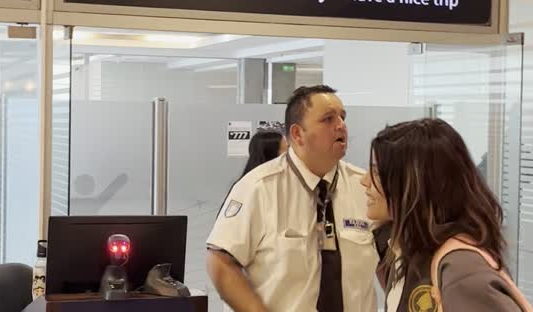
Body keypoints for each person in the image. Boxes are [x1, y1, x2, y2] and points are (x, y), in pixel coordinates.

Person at [206, 85, 379, 312]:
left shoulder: (364, 187)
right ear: (298, 134)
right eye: (328, 119)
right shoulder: (258, 188)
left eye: (342, 117)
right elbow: (220, 262)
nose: (341, 126)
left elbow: (388, 263)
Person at [360, 118, 530, 312]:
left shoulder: (462, 270)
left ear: (413, 185)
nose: (365, 181)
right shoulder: (410, 252)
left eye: (376, 172)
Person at [217, 130, 287, 217]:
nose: (292, 157)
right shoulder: (248, 189)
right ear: (272, 157)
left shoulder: (286, 185)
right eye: (286, 152)